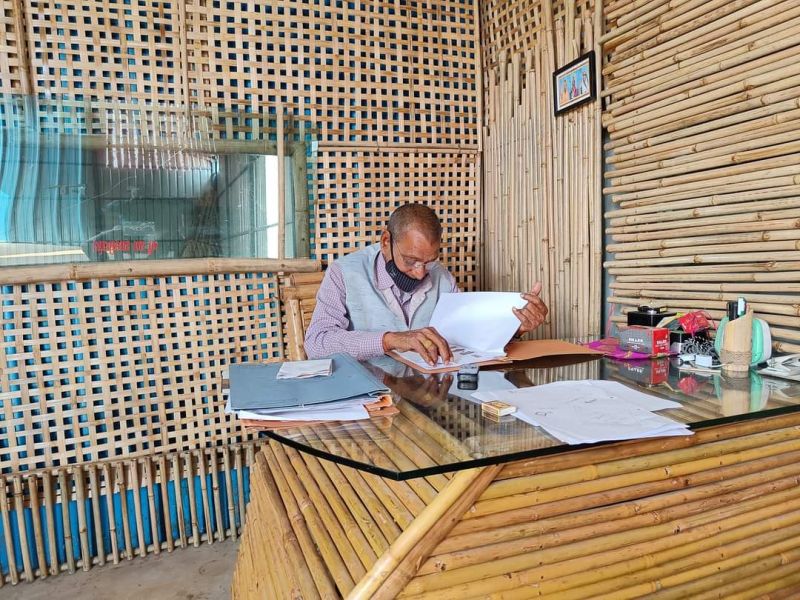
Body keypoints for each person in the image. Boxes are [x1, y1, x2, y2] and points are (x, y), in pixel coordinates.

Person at [304, 203, 548, 365]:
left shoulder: (442, 277)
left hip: (430, 400)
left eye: (429, 261)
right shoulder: (344, 273)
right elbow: (316, 344)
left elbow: (466, 339)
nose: (420, 273)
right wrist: (390, 339)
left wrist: (515, 328)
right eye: (410, 261)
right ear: (386, 241)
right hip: (367, 401)